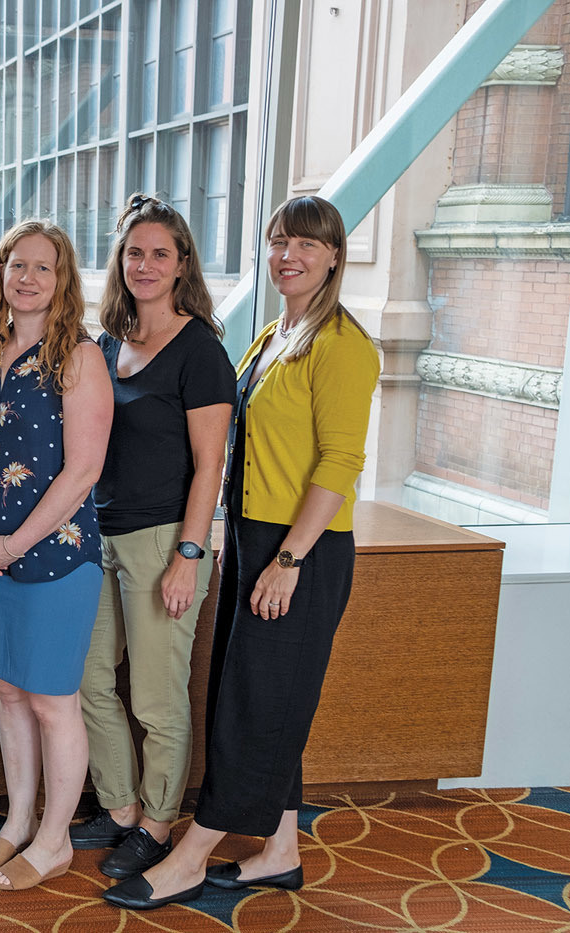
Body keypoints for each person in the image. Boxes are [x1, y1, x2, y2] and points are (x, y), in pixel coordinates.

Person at [103, 196, 380, 910]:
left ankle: (191, 856)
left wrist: (288, 562)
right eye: (280, 241)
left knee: (256, 706)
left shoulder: (342, 344)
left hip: (301, 552)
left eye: (307, 244)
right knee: (259, 696)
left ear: (335, 256)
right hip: (256, 540)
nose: (289, 255)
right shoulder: (271, 338)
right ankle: (279, 850)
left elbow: (340, 462)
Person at [72, 196, 234, 881]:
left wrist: (188, 556)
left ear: (182, 264)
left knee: (156, 699)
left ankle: (160, 824)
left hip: (164, 540)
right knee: (88, 681)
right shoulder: (106, 343)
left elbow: (210, 465)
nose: (145, 265)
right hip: (99, 537)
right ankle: (121, 806)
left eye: (159, 254)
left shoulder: (200, 350)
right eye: (134, 253)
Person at [0, 220, 113, 891]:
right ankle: (19, 820)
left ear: (63, 279)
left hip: (58, 560)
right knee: (10, 691)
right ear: (0, 273)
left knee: (53, 700)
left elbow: (83, 471)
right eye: (16, 264)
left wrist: (13, 544)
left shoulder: (79, 356)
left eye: (43, 267)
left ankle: (54, 840)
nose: (27, 277)